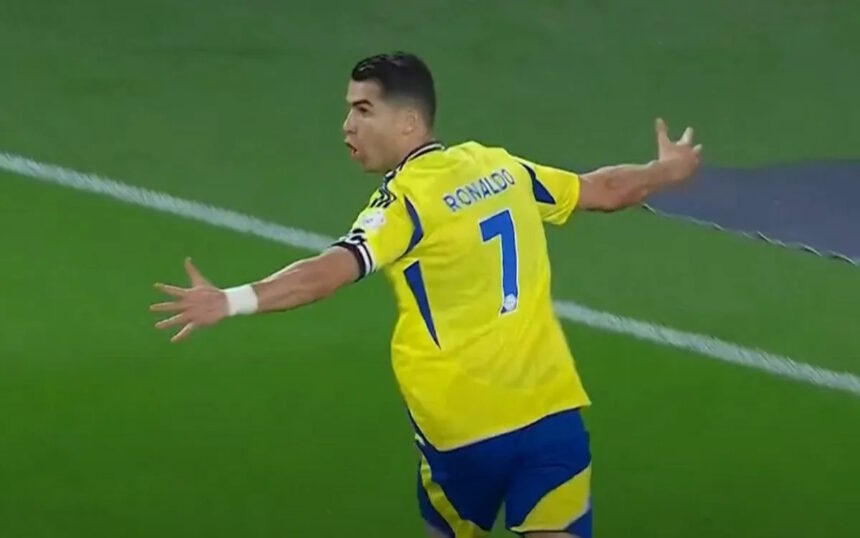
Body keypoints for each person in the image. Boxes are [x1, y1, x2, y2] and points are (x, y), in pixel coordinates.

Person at [150, 52, 701, 538]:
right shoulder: (498, 166)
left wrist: (232, 300)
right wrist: (666, 170)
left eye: (363, 110)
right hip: (550, 414)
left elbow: (327, 273)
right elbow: (603, 189)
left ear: (409, 122)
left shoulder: (405, 202)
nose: (347, 126)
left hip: (462, 431)